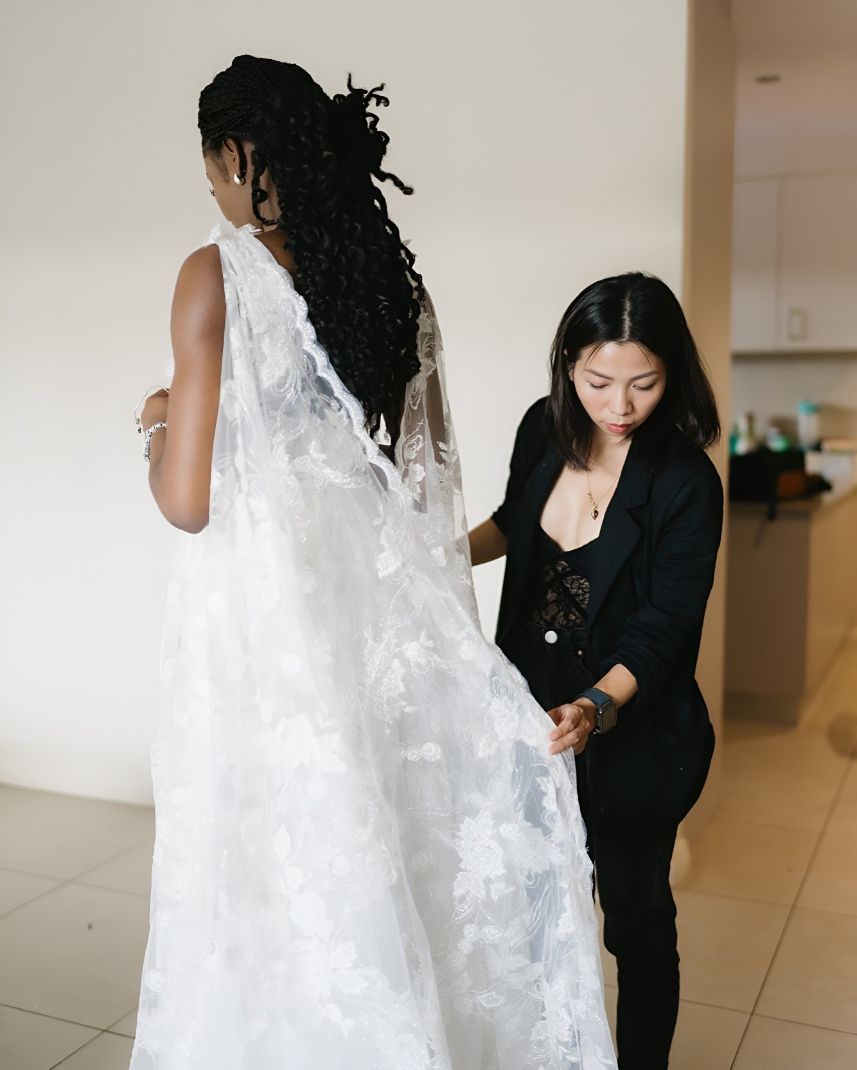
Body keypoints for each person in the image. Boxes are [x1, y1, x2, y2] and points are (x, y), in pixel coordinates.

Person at [130, 56, 616, 1070]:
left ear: (233, 158)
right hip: (377, 622)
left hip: (266, 630)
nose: (208, 190)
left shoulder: (213, 274)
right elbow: (419, 481)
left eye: (209, 166)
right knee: (379, 842)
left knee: (273, 858)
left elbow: (186, 502)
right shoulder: (393, 284)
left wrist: (158, 422)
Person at [469, 274, 723, 1070]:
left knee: (634, 921)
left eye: (643, 383)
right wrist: (433, 555)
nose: (619, 404)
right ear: (568, 365)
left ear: (671, 372)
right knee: (541, 911)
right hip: (527, 718)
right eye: (598, 381)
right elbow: (517, 523)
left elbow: (663, 630)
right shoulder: (540, 433)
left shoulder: (684, 483)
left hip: (628, 730)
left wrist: (592, 706)